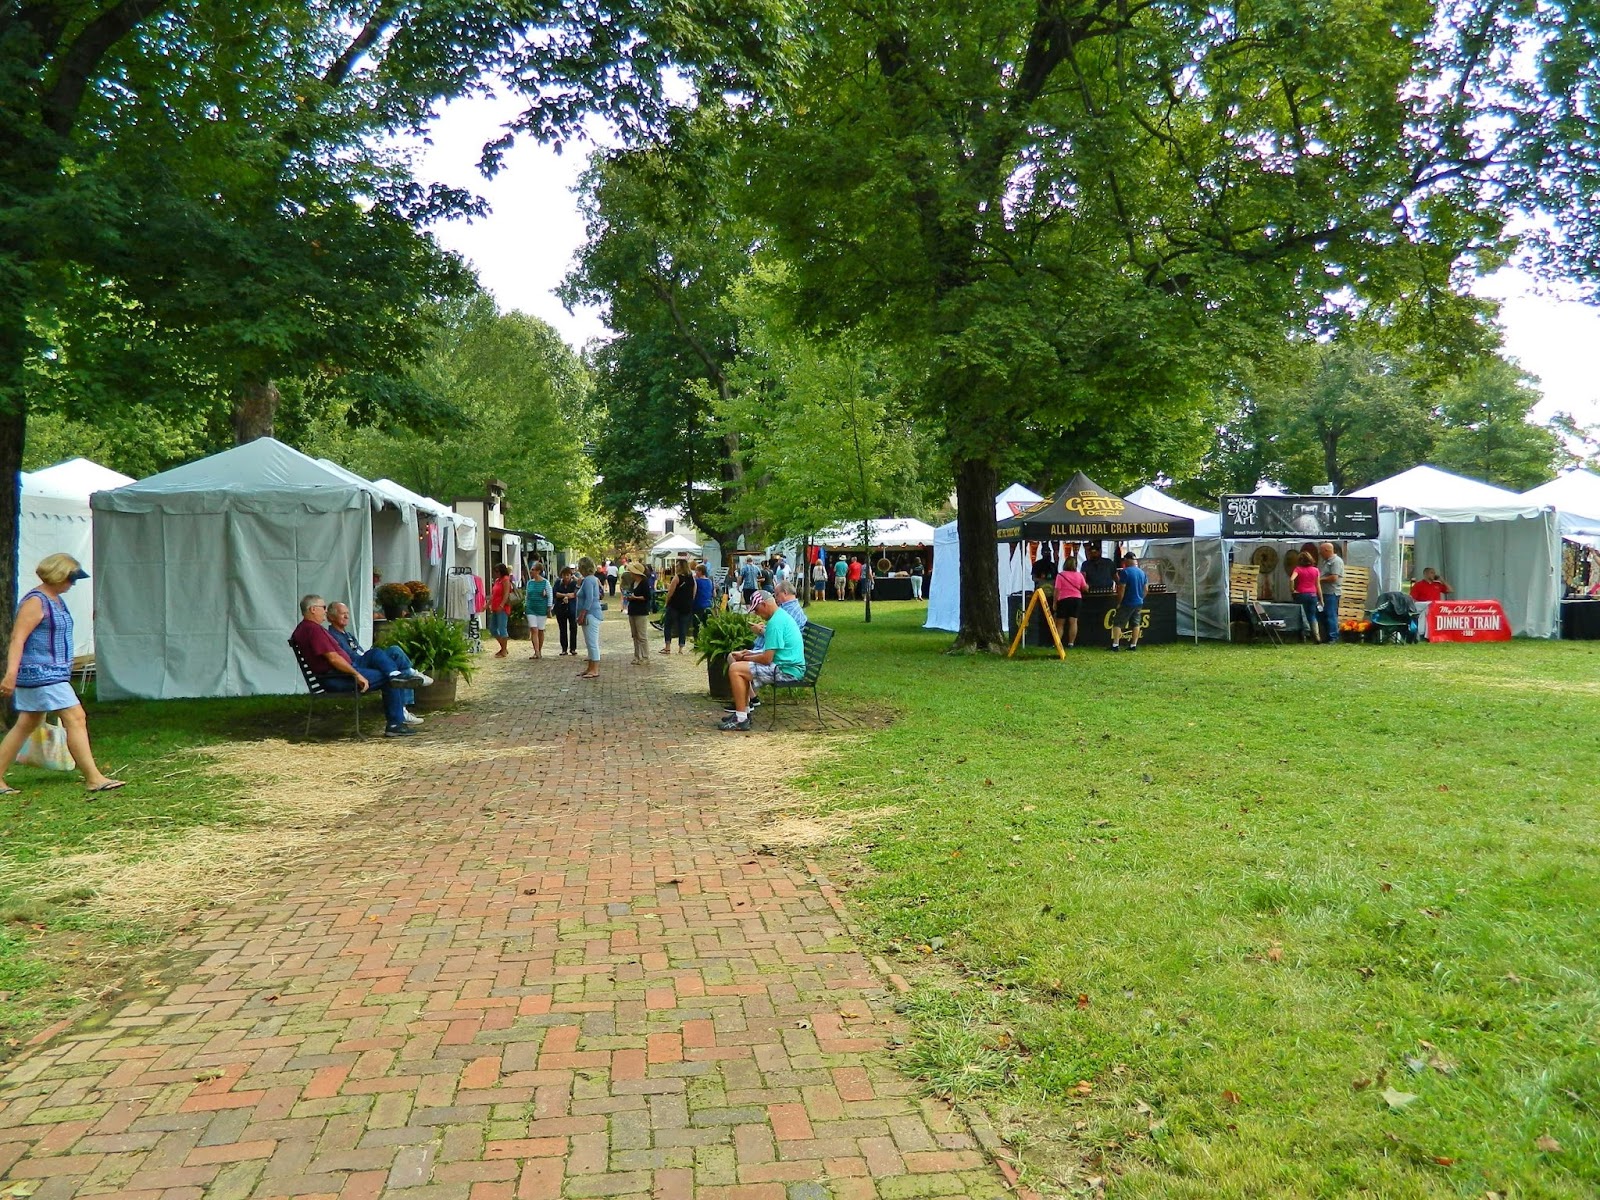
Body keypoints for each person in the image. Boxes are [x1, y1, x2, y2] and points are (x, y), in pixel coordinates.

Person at [0, 554, 124, 792]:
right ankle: (93, 778)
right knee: (76, 717)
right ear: (59, 575)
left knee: (27, 723)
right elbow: (18, 638)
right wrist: (10, 674)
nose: (72, 584)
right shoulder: (36, 602)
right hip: (41, 673)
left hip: (52, 671)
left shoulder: (55, 600)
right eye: (70, 578)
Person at [290, 594, 422, 737]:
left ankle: (401, 678)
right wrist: (357, 675)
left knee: (382, 659)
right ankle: (395, 723)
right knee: (390, 679)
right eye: (323, 607)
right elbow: (333, 659)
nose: (325, 611)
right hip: (338, 678)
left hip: (335, 675)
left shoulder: (304, 629)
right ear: (313, 609)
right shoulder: (313, 630)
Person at [326, 602, 430, 725]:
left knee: (394, 651)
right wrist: (372, 658)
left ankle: (403, 704)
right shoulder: (332, 635)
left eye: (347, 613)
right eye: (343, 614)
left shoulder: (347, 634)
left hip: (362, 661)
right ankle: (408, 674)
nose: (347, 616)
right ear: (331, 617)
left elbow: (359, 650)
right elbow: (350, 657)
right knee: (379, 658)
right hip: (355, 666)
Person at [720, 591, 805, 732]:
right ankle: (743, 713)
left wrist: (746, 657)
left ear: (764, 604)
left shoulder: (775, 623)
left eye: (757, 609)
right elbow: (770, 653)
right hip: (785, 665)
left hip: (786, 670)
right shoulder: (780, 617)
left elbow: (767, 659)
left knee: (735, 669)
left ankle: (741, 719)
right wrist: (748, 654)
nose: (757, 614)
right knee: (738, 664)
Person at [1109, 553, 1148, 651]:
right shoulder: (1142, 573)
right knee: (1136, 623)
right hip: (1139, 602)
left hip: (1127, 602)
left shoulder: (1125, 572)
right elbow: (1146, 589)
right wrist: (1141, 598)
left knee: (1117, 622)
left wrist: (1118, 602)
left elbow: (1121, 589)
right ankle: (1133, 645)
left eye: (1124, 560)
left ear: (1127, 560)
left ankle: (1115, 645)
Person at [574, 556, 603, 679]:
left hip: (591, 614)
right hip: (590, 614)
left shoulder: (589, 580)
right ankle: (590, 667)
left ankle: (594, 669)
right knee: (589, 642)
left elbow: (589, 599)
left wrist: (582, 614)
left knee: (592, 643)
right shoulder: (590, 579)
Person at [1053, 557, 1088, 649]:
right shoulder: (1079, 575)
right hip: (1076, 599)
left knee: (1060, 623)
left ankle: (1057, 643)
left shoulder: (1060, 575)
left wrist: (1054, 602)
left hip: (1063, 599)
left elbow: (1057, 590)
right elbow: (1085, 588)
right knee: (1073, 622)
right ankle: (1071, 643)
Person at [660, 560, 695, 654]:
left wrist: (666, 603)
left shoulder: (677, 578)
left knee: (668, 625)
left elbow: (670, 592)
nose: (676, 567)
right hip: (686, 606)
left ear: (681, 567)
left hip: (675, 605)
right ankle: (681, 648)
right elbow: (694, 591)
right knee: (682, 626)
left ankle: (667, 647)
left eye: (677, 565)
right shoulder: (691, 578)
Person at [1289, 551, 1324, 643]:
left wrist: (1292, 590)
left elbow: (1292, 579)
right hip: (1313, 594)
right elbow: (1318, 585)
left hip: (1301, 594)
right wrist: (1321, 599)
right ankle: (1317, 637)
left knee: (1301, 615)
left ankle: (1304, 636)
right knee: (1312, 615)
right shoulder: (1315, 570)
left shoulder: (1298, 569)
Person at [622, 564, 653, 663]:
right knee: (634, 635)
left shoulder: (644, 583)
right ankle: (637, 656)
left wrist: (635, 597)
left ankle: (645, 656)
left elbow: (647, 597)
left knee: (642, 635)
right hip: (632, 610)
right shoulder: (633, 582)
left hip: (641, 611)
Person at [524, 560, 553, 659]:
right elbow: (527, 595)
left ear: (538, 571)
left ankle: (539, 650)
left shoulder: (545, 583)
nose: (531, 571)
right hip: (531, 608)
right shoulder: (530, 583)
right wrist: (526, 605)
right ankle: (536, 651)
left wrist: (549, 608)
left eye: (533, 570)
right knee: (534, 629)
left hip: (541, 609)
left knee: (540, 630)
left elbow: (550, 596)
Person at [1317, 542, 1345, 644]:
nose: (1320, 554)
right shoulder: (1326, 561)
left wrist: (1319, 580)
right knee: (1323, 615)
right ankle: (1326, 637)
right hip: (1324, 593)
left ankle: (1333, 637)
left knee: (1331, 615)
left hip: (1332, 593)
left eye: (1321, 552)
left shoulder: (1336, 561)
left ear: (1327, 551)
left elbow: (1334, 577)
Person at [487, 563, 513, 657]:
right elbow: (493, 595)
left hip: (502, 608)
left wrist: (501, 605)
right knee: (493, 628)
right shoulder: (498, 580)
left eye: (497, 571)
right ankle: (503, 648)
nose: (496, 574)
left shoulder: (506, 580)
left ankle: (504, 650)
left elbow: (506, 594)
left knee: (502, 628)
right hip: (495, 607)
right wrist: (487, 605)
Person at [693, 563, 715, 633]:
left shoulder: (697, 581)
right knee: (707, 626)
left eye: (696, 571)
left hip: (698, 605)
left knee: (696, 625)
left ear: (700, 571)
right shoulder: (710, 581)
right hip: (708, 605)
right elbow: (714, 594)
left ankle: (696, 641)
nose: (695, 572)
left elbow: (694, 593)